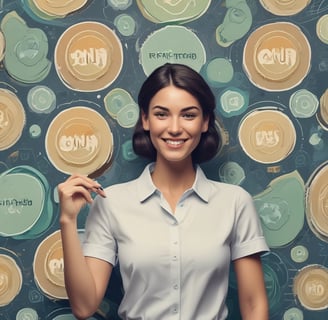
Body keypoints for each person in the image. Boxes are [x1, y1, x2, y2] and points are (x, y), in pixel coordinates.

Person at [58, 63, 269, 320]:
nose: (175, 128)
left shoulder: (235, 203)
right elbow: (84, 307)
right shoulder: (110, 202)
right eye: (162, 114)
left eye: (189, 115)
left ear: (205, 122)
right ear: (145, 119)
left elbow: (254, 303)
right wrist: (67, 221)